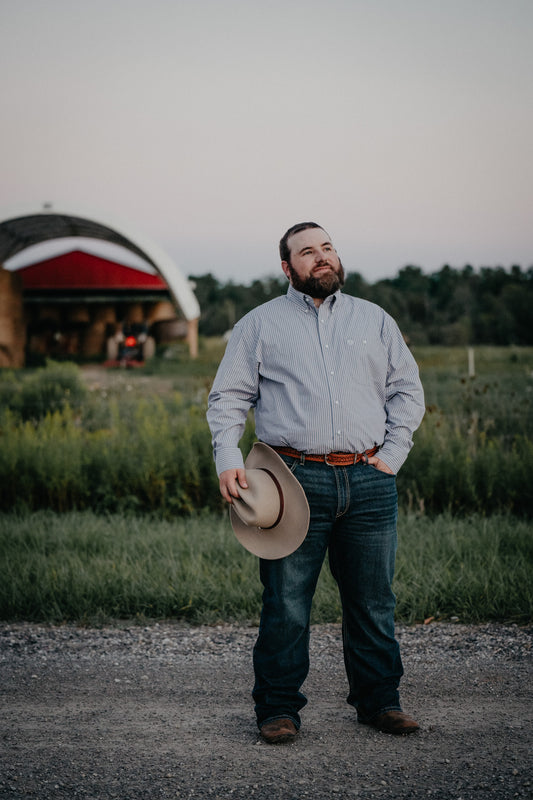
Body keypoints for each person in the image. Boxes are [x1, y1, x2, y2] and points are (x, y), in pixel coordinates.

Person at [207, 222, 425, 744]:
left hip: (370, 480)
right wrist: (225, 455)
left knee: (373, 602)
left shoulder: (374, 320)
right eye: (308, 252)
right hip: (291, 482)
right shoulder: (259, 325)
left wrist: (392, 455)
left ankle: (379, 702)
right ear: (288, 267)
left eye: (327, 247)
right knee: (286, 603)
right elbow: (229, 397)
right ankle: (278, 708)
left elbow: (407, 391)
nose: (322, 257)